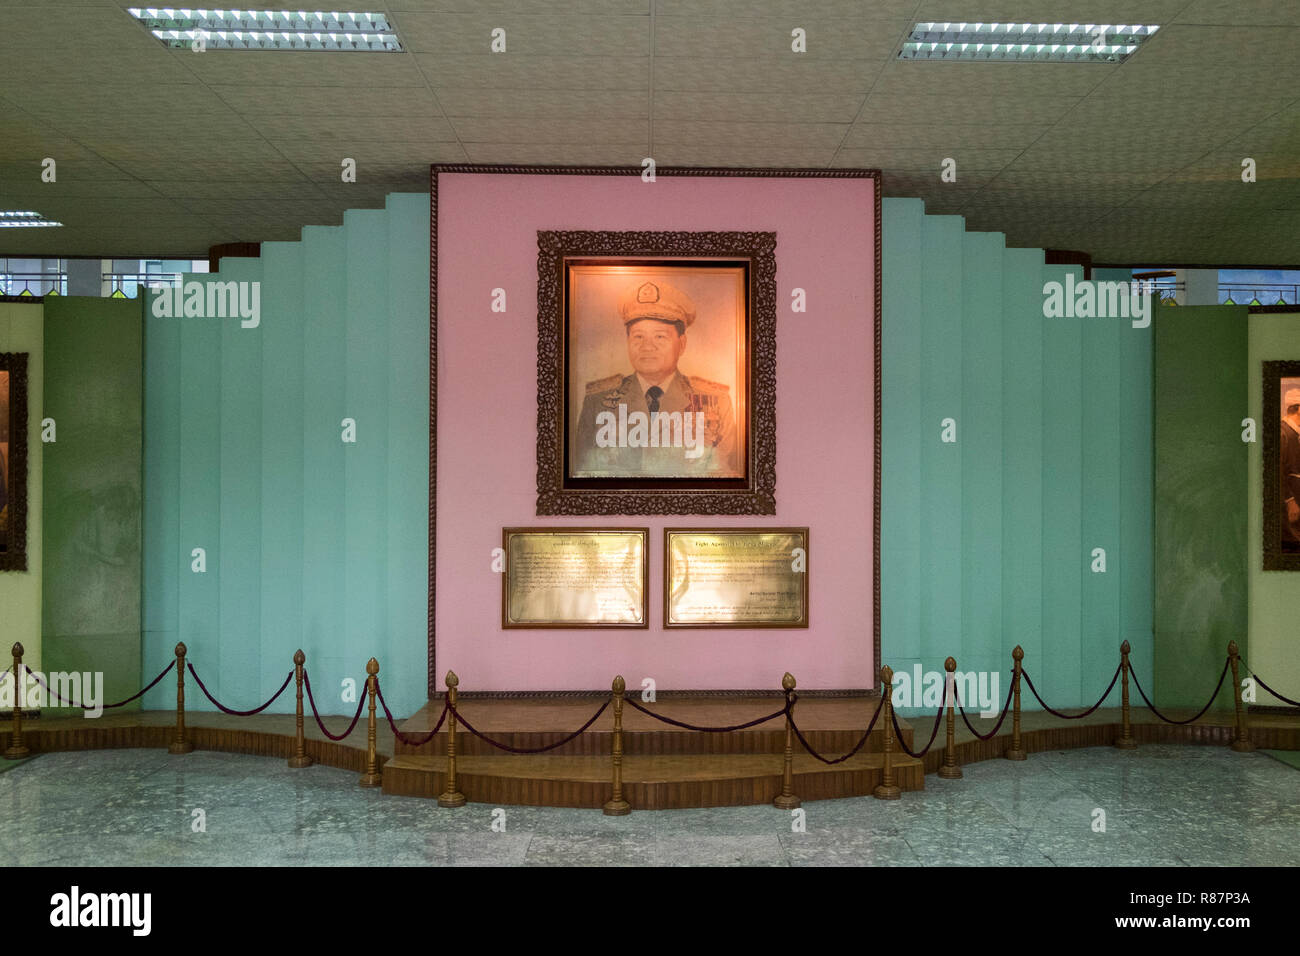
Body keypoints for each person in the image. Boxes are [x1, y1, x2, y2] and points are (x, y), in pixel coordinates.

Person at [574, 280, 738, 478]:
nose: (647, 347)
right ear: (628, 341)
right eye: (638, 337)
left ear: (682, 344)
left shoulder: (717, 404)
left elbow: (728, 478)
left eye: (660, 337)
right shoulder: (598, 401)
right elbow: (581, 473)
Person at [1281, 387, 1300, 548]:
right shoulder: (1283, 433)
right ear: (1299, 408)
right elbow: (1277, 473)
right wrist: (1289, 500)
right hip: (1289, 505)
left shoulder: (1295, 433)